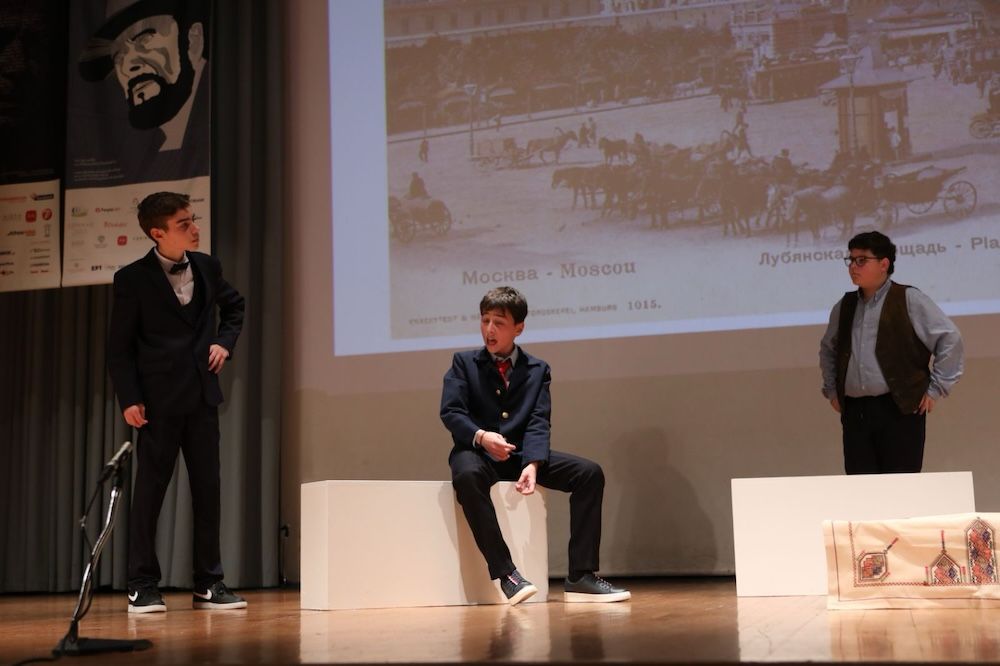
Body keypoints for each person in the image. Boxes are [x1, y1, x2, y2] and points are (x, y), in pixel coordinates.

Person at [441, 287, 630, 605]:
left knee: (588, 473)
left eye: (499, 322)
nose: (489, 329)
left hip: (519, 455)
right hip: (477, 451)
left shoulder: (537, 369)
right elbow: (451, 412)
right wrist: (482, 436)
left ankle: (581, 576)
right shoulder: (464, 363)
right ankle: (507, 575)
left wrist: (533, 463)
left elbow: (538, 420)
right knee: (467, 476)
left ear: (519, 328)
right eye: (485, 320)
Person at [107, 192, 246, 613]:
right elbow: (119, 347)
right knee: (150, 495)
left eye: (193, 219)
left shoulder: (207, 266)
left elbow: (235, 307)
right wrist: (130, 397)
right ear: (158, 233)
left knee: (208, 492)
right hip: (158, 403)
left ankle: (209, 582)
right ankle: (142, 584)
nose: (195, 228)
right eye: (184, 224)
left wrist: (224, 343)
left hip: (201, 399)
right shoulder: (132, 279)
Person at [819, 232, 963, 475]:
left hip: (899, 409)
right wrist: (832, 390)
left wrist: (936, 388)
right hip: (855, 411)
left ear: (883, 264)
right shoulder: (845, 306)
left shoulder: (908, 298)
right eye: (851, 260)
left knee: (900, 487)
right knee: (861, 486)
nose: (853, 266)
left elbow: (950, 338)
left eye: (861, 260)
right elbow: (828, 350)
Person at [78, 0, 209, 153]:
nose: (128, 66)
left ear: (193, 40)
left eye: (144, 39)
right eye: (118, 56)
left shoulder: (222, 117)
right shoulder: (137, 148)